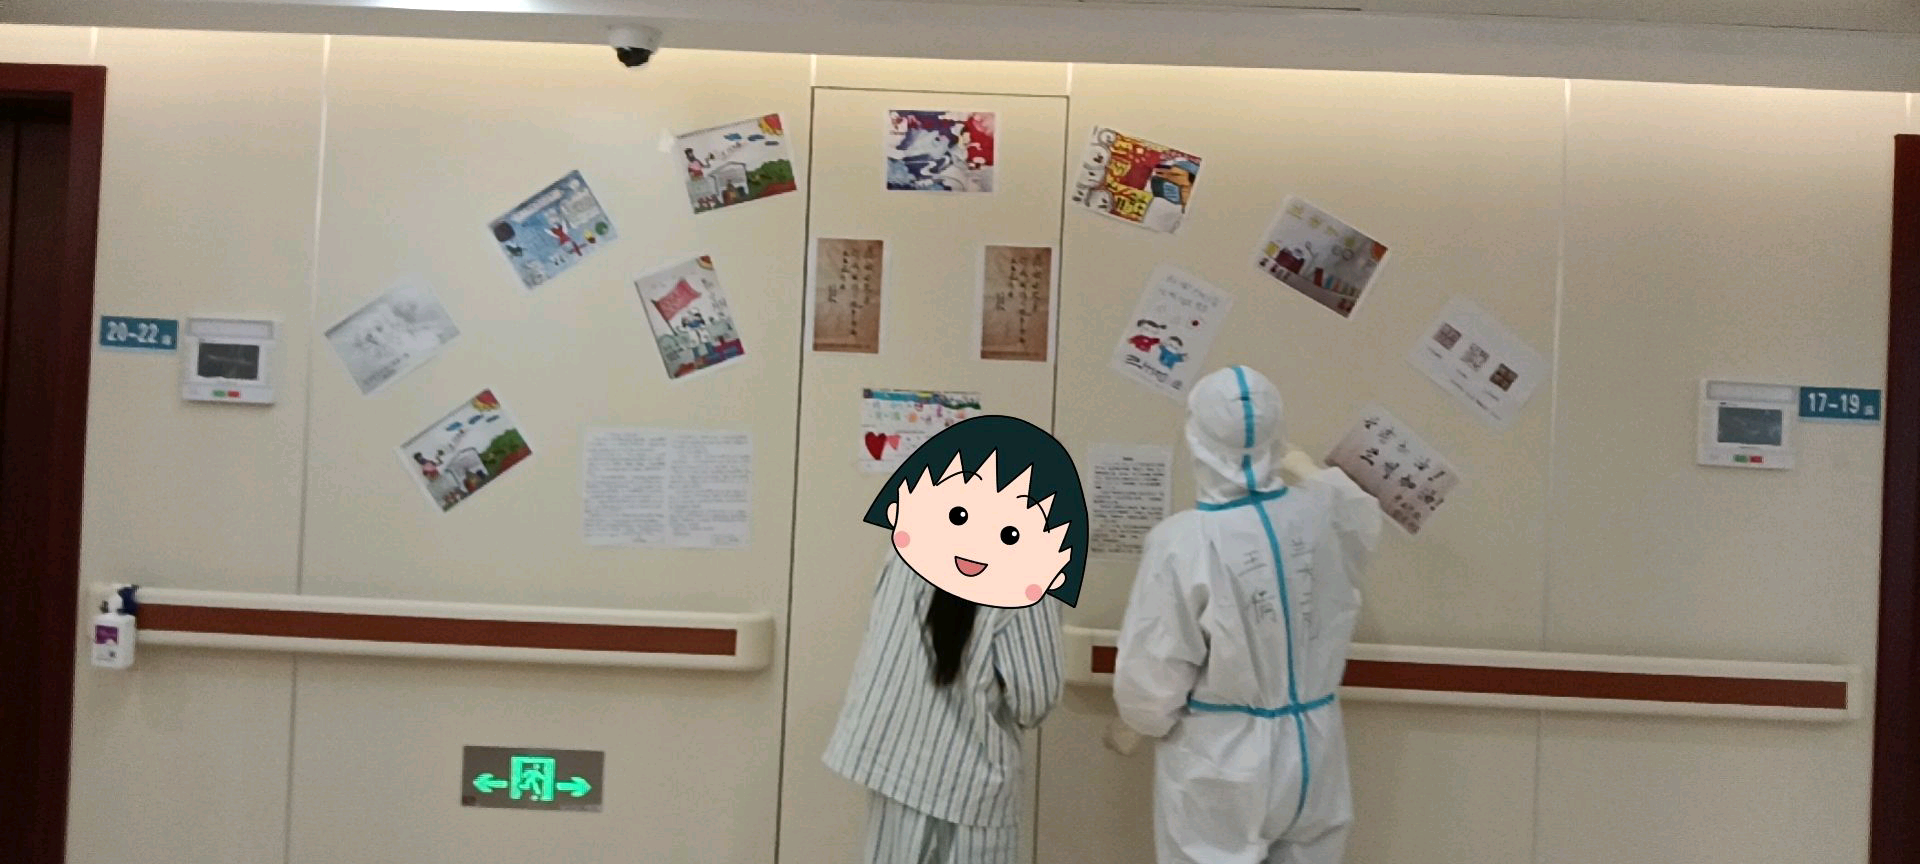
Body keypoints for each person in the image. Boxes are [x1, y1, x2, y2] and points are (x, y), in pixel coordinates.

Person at [1108, 365, 1383, 864]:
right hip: (1315, 750)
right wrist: (1300, 464)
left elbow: (1151, 681)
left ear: (1196, 438)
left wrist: (1136, 723)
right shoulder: (1323, 513)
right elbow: (1360, 513)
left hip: (1222, 762)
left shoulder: (1184, 542)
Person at [824, 414, 1091, 864]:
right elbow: (1035, 698)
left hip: (892, 760)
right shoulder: (1028, 572)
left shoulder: (908, 544)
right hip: (969, 783)